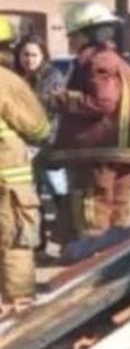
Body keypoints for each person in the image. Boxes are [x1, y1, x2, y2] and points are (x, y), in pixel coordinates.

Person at [49, 1, 130, 263]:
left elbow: (103, 102)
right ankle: (118, 261)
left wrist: (63, 99)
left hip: (99, 154)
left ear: (86, 34)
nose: (70, 40)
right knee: (119, 211)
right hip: (113, 151)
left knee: (94, 208)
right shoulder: (110, 59)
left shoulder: (97, 62)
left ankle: (94, 262)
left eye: (73, 35)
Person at [0, 24, 52, 309]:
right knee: (16, 246)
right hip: (8, 180)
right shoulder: (7, 81)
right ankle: (18, 312)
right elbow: (39, 127)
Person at [15, 36, 66, 250]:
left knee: (59, 192)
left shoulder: (52, 77)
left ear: (43, 55)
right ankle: (37, 242)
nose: (29, 59)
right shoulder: (15, 78)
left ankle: (67, 238)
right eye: (25, 55)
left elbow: (50, 110)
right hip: (24, 145)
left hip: (50, 143)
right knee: (30, 195)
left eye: (34, 55)